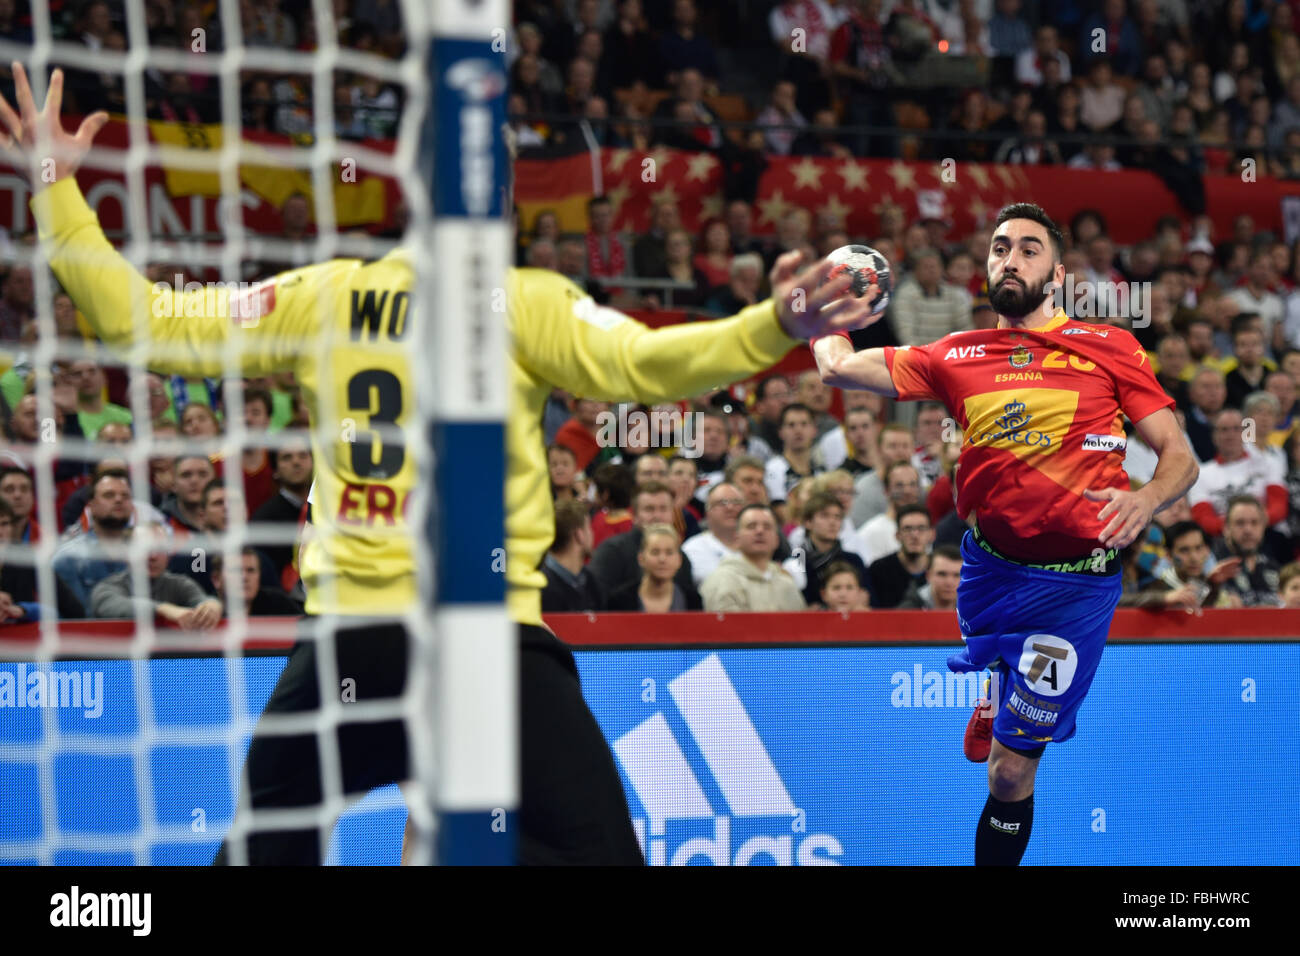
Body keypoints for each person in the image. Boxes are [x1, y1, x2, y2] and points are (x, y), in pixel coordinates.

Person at [9, 64, 875, 865]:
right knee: (598, 853)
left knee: (264, 852)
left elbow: (144, 324)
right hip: (484, 645)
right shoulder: (529, 303)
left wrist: (56, 191)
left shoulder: (325, 295)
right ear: (498, 199)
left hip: (352, 645)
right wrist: (772, 322)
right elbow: (654, 363)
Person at [811, 201, 1197, 866]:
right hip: (988, 573)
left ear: (1057, 270)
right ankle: (999, 673)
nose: (1009, 259)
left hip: (1073, 594)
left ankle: (1007, 692)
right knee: (1004, 720)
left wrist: (1150, 499)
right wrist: (825, 316)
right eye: (998, 248)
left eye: (1027, 249)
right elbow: (838, 368)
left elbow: (1180, 456)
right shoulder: (955, 354)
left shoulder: (1110, 347)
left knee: (1008, 774)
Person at [90, 523, 224, 626]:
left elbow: (202, 599)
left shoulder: (179, 584)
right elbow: (112, 606)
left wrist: (212, 606)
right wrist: (164, 609)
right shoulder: (107, 587)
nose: (153, 556)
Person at [700, 504, 805, 611]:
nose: (760, 531)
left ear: (777, 540)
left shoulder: (786, 583)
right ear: (737, 538)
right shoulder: (722, 580)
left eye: (767, 527)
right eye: (751, 526)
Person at [605, 524, 700, 611]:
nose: (662, 559)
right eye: (655, 552)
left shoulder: (693, 600)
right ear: (641, 558)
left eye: (669, 552)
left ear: (679, 560)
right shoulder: (619, 600)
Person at [540, 497, 603, 613]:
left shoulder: (591, 582)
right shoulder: (540, 588)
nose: (592, 533)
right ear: (579, 535)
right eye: (589, 528)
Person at [867, 503, 932, 608]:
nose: (915, 535)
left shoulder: (943, 569)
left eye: (921, 528)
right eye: (907, 529)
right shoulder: (878, 570)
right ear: (897, 535)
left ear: (932, 534)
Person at [681, 481, 743, 586]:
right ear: (707, 513)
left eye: (736, 502)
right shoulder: (692, 550)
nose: (730, 507)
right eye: (722, 503)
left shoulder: (756, 545)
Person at [897, 545, 962, 610]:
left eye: (957, 575)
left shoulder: (971, 609)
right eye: (942, 574)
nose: (949, 582)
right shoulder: (907, 610)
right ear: (928, 576)